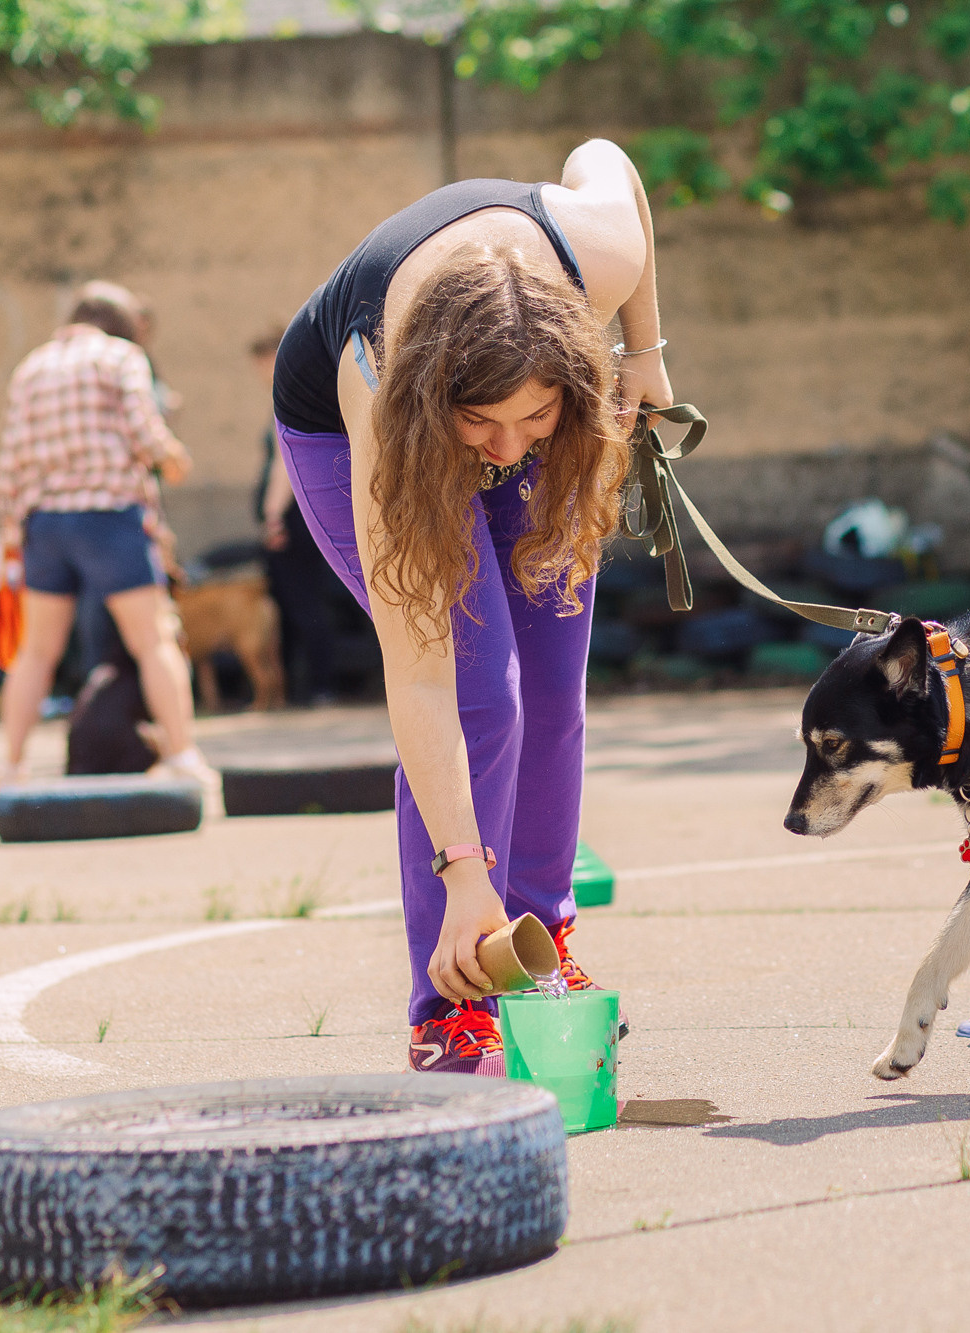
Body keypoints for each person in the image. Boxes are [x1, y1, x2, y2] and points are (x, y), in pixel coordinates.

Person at [272, 143, 669, 1074]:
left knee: (554, 686)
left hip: (513, 375)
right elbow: (419, 678)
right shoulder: (381, 393)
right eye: (483, 426)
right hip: (372, 428)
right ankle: (449, 1004)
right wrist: (464, 873)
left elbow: (606, 157)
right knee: (484, 691)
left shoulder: (594, 254)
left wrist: (643, 353)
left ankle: (538, 950)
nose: (503, 450)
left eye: (531, 420)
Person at [0, 281, 209, 782]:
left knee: (36, 652)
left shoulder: (32, 366)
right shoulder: (120, 357)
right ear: (123, 324)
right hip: (109, 517)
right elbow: (143, 426)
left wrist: (11, 524)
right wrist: (172, 459)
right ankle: (183, 757)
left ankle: (11, 765)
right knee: (153, 640)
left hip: (45, 524)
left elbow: (10, 460)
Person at [252, 329, 342, 705]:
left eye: (264, 364)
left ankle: (320, 685)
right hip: (305, 516)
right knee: (301, 603)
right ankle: (306, 686)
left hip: (292, 520)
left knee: (302, 603)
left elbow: (283, 468)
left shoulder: (291, 395)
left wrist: (272, 516)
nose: (261, 374)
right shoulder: (310, 393)